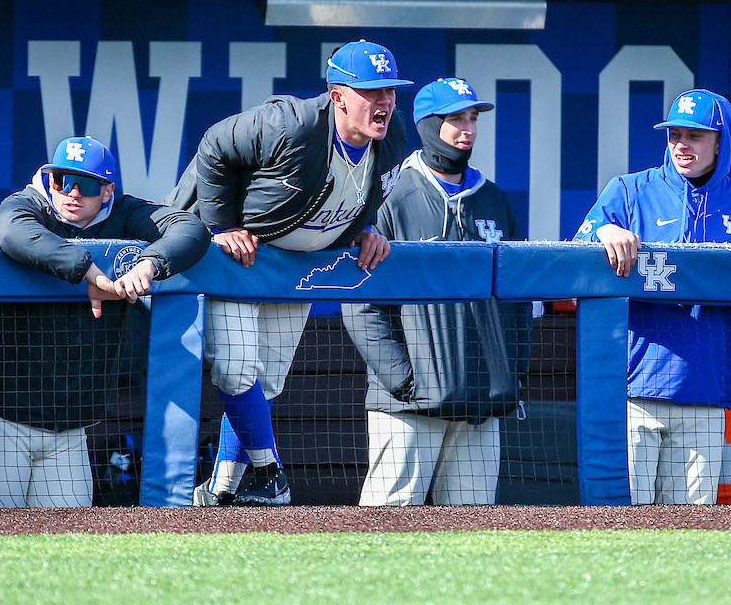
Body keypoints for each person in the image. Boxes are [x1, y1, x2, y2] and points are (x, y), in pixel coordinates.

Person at [170, 39, 411, 506]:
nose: (383, 102)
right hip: (238, 256)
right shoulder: (293, 122)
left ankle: (221, 490)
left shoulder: (393, 138)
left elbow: (363, 192)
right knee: (236, 369)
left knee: (269, 380)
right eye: (371, 91)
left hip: (295, 267)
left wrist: (367, 228)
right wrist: (221, 224)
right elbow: (214, 146)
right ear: (338, 96)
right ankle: (271, 475)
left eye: (390, 91)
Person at [0, 136, 209, 508]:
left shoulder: (124, 213)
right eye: (62, 180)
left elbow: (191, 230)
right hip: (0, 415)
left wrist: (149, 263)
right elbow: (7, 228)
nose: (72, 193)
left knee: (70, 542)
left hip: (71, 425)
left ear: (108, 190)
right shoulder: (30, 205)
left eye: (88, 184)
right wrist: (89, 272)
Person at [341, 77, 531, 506]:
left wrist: (509, 377)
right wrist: (406, 382)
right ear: (428, 125)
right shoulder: (389, 194)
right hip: (408, 406)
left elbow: (518, 299)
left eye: (472, 117)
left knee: (471, 530)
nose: (467, 128)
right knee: (390, 522)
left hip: (479, 404)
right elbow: (359, 302)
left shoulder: (494, 199)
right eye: (454, 119)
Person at [573, 88, 731, 505]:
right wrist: (601, 231)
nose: (682, 144)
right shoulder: (629, 191)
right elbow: (574, 262)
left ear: (720, 140)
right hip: (634, 391)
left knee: (692, 537)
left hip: (707, 394)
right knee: (623, 528)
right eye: (674, 133)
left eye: (695, 135)